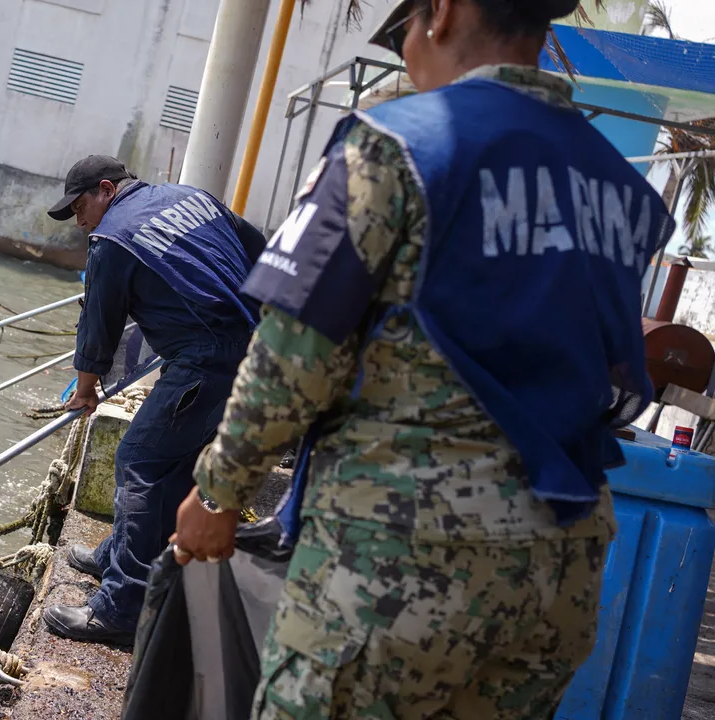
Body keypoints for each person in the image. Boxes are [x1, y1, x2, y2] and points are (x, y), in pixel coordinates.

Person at [171, 0, 675, 717]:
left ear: (439, 14)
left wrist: (220, 493)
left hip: (398, 567)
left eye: (403, 27)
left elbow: (294, 357)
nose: (406, 48)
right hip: (557, 577)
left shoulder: (398, 145)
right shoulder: (617, 185)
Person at [40, 154, 267, 645]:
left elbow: (98, 326)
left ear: (106, 189)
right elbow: (259, 248)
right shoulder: (193, 197)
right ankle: (117, 558)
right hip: (255, 345)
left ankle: (122, 609)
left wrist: (85, 389)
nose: (80, 223)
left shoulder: (111, 238)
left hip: (206, 358)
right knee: (173, 463)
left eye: (80, 208)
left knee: (140, 459)